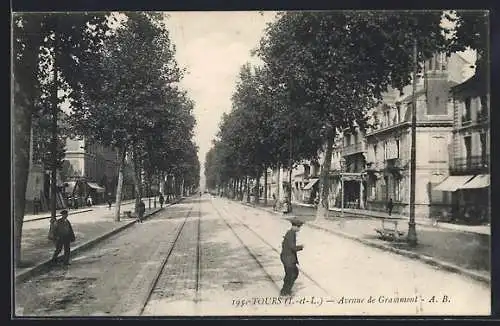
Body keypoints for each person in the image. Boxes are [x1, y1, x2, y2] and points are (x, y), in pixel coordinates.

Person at [280, 218, 304, 296]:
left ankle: (286, 290)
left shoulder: (291, 233)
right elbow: (292, 247)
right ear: (295, 226)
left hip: (288, 257)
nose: (299, 229)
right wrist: (301, 247)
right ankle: (284, 292)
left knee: (293, 273)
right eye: (299, 227)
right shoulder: (291, 234)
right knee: (291, 275)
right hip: (288, 258)